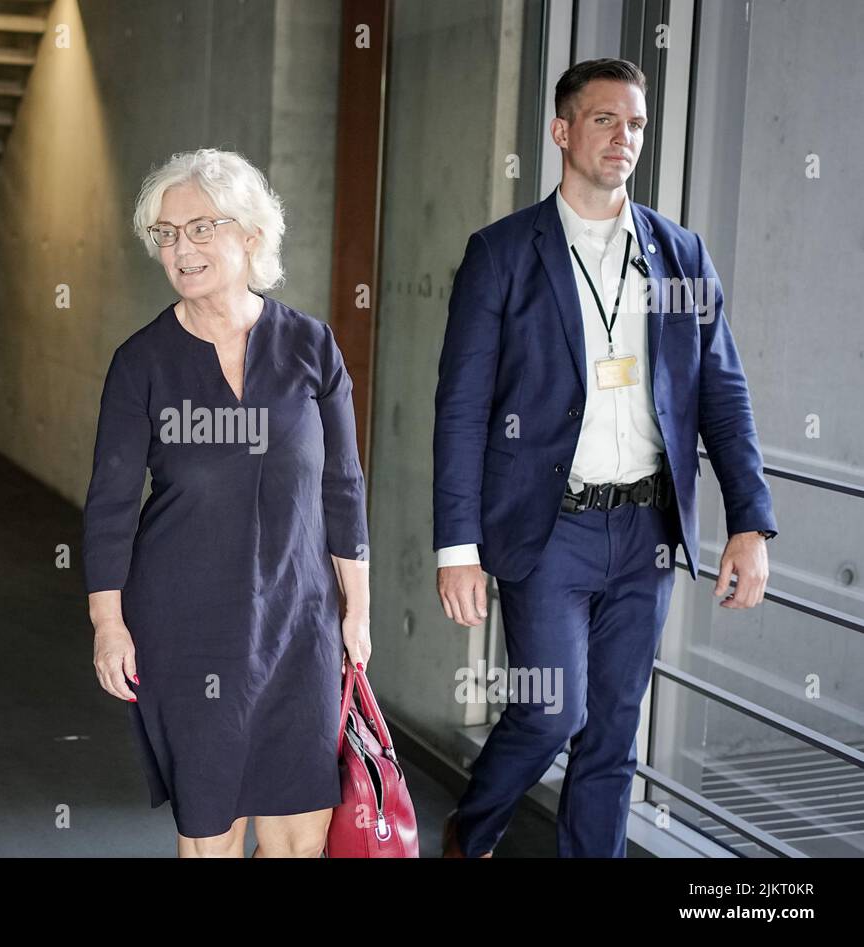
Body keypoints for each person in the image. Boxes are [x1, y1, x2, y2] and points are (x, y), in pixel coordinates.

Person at [433, 58, 777, 857]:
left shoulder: (681, 256)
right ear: (562, 131)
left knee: (614, 730)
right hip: (549, 526)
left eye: (638, 125)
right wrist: (459, 547)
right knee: (553, 711)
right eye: (604, 120)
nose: (625, 138)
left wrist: (750, 522)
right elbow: (460, 412)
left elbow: (724, 395)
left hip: (648, 530)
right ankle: (470, 831)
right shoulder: (503, 254)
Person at [82, 149, 371, 858]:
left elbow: (343, 485)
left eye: (200, 227)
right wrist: (107, 623)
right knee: (210, 834)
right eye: (167, 234)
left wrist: (355, 610)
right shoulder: (141, 362)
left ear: (249, 234)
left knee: (298, 839)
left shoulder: (311, 346)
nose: (182, 248)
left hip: (300, 624)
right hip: (187, 629)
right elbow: (111, 504)